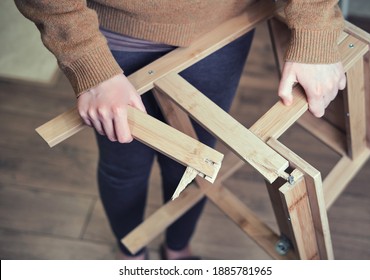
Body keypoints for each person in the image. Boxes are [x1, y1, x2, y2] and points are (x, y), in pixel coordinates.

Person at [15, 0, 346, 260]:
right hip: (113, 31)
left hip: (223, 26)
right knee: (124, 167)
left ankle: (177, 250)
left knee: (194, 163)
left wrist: (316, 28)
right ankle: (131, 251)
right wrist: (86, 58)